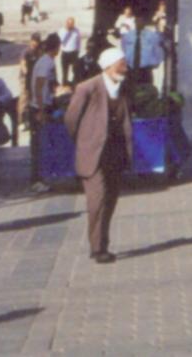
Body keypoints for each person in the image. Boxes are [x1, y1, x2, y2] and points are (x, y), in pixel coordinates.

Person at [64, 45, 133, 263]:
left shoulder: (123, 87)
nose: (125, 68)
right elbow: (71, 120)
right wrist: (84, 141)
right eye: (122, 64)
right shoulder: (87, 88)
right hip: (92, 155)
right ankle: (96, 248)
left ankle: (103, 243)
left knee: (111, 199)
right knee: (97, 199)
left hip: (115, 152)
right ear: (109, 66)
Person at [29, 32, 62, 192]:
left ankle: (41, 177)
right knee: (39, 146)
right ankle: (36, 180)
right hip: (39, 107)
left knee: (42, 144)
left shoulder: (46, 61)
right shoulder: (47, 63)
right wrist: (41, 110)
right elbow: (39, 85)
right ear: (56, 48)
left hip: (42, 105)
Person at [16, 33, 41, 149]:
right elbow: (23, 63)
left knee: (33, 98)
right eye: (34, 41)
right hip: (25, 78)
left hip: (34, 77)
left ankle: (30, 120)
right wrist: (25, 72)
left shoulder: (39, 51)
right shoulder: (26, 51)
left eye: (37, 41)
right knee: (24, 99)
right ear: (31, 41)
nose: (35, 43)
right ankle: (21, 121)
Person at [59, 18, 82, 87]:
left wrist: (78, 50)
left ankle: (74, 84)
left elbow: (78, 41)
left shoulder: (77, 31)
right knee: (65, 71)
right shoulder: (61, 31)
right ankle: (64, 84)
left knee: (75, 70)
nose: (70, 25)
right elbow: (61, 41)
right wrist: (67, 31)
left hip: (74, 53)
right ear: (66, 23)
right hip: (65, 53)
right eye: (68, 24)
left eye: (71, 24)